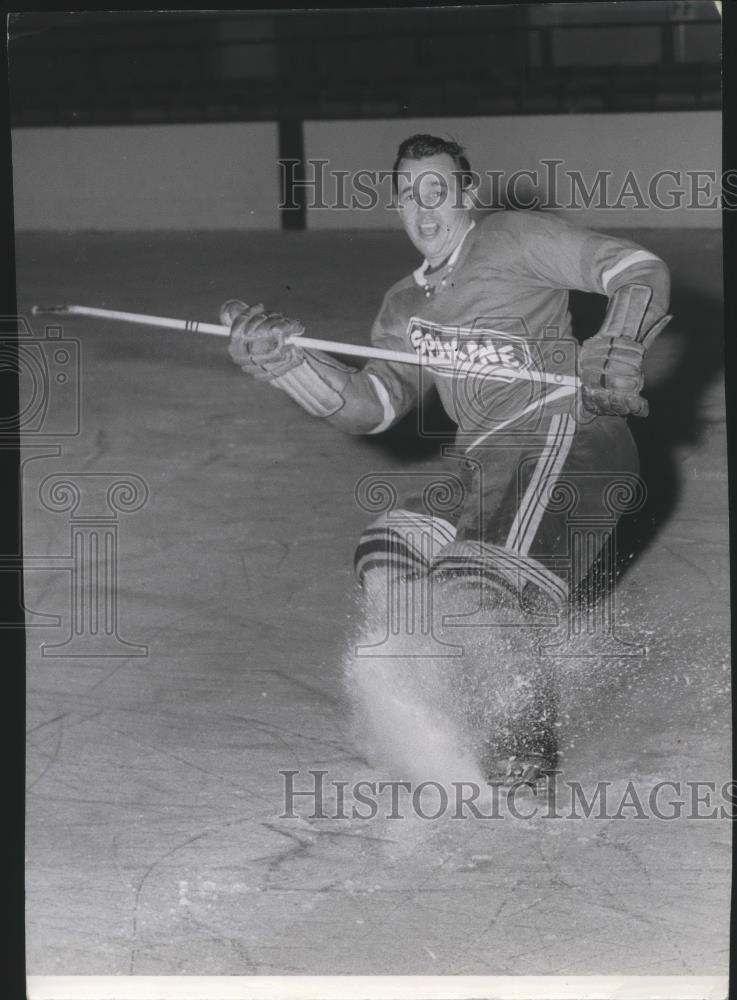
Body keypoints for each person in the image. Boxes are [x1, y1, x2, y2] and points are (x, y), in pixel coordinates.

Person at [221, 133, 671, 786]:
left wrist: (616, 340)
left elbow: (634, 268)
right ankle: (446, 703)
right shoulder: (404, 303)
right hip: (487, 464)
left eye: (437, 191)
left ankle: (521, 753)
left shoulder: (512, 238)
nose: (423, 209)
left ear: (466, 195)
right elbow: (371, 405)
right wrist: (289, 366)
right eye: (408, 194)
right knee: (387, 553)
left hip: (568, 436)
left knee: (468, 581)